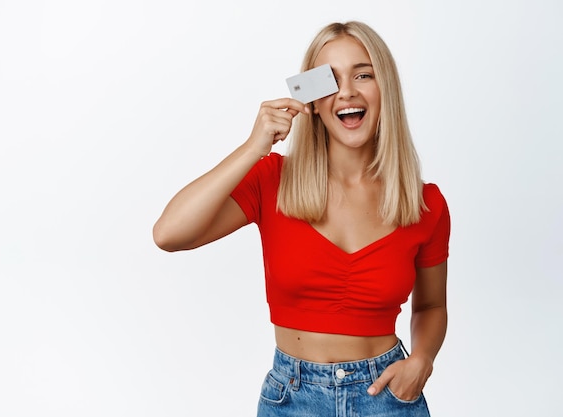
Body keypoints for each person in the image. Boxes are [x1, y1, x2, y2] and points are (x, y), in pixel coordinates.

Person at [153, 20, 450, 417]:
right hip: (293, 399)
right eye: (330, 80)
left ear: (386, 90)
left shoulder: (424, 203)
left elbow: (431, 305)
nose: (347, 91)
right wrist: (252, 148)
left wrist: (422, 361)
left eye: (363, 74)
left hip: (388, 397)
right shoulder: (272, 180)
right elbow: (169, 234)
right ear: (311, 99)